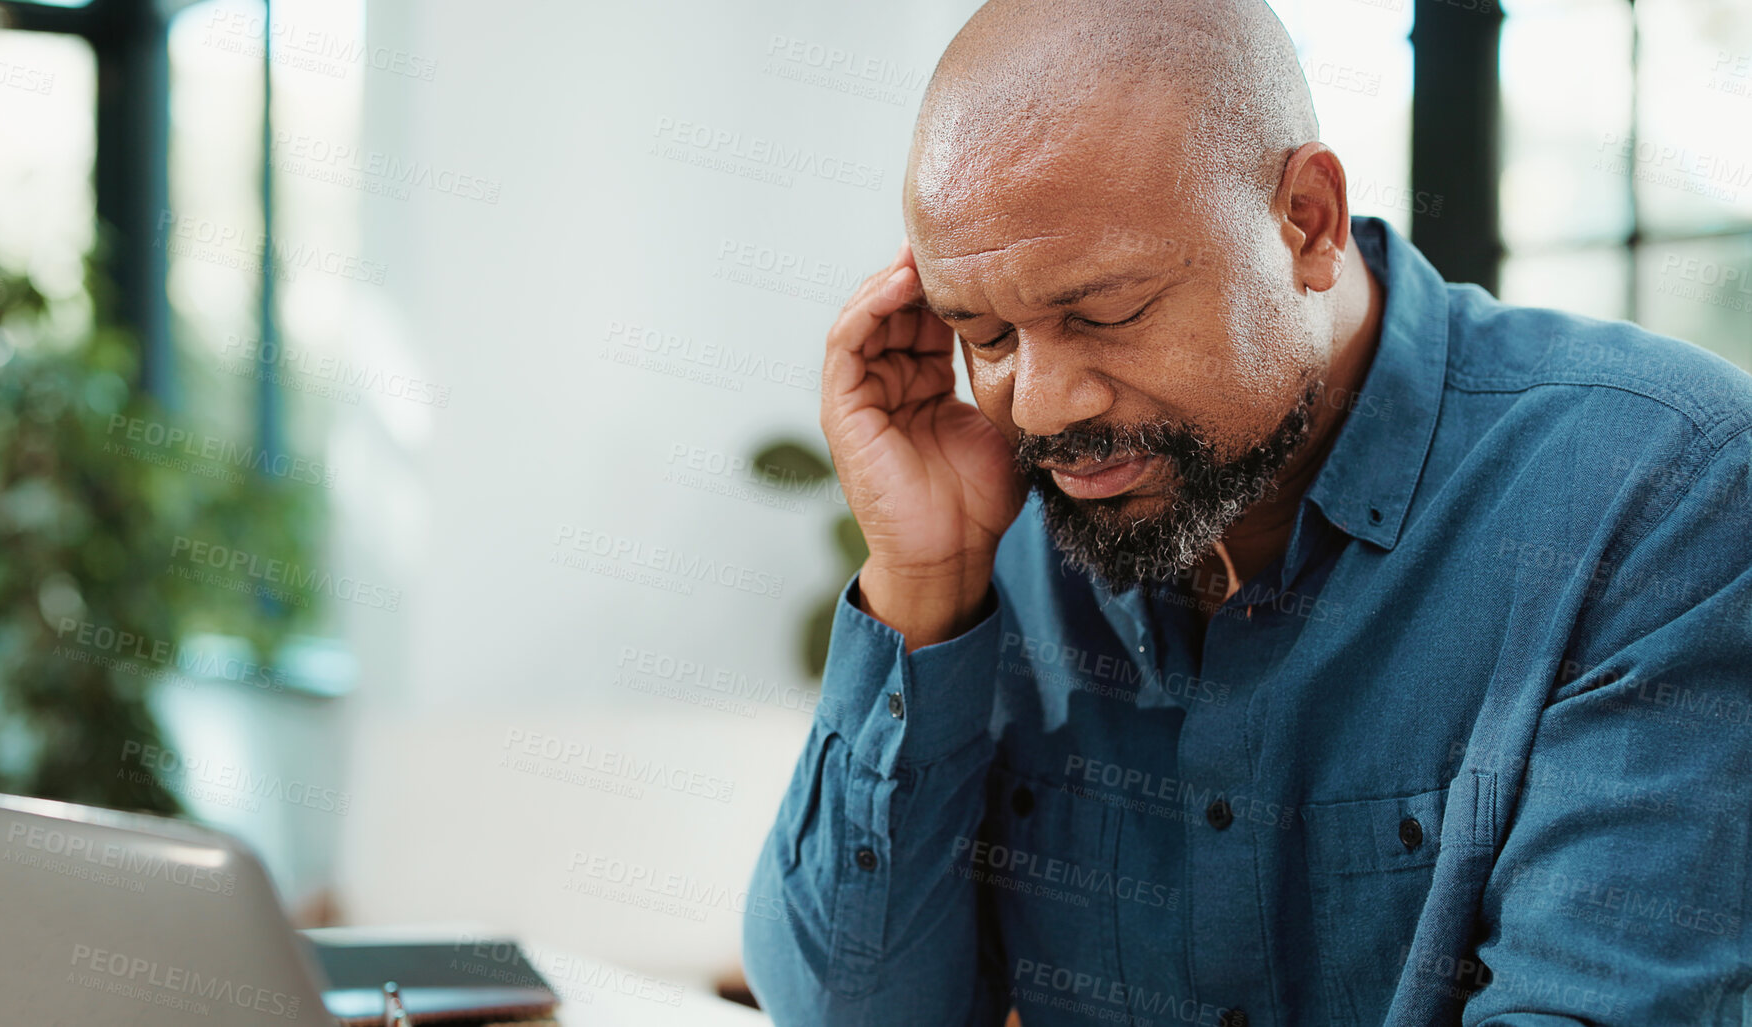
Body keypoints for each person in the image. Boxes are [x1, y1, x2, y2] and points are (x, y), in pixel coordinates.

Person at [740, 0, 1752, 1023]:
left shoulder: (1660, 489)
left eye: (1103, 313)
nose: (1040, 407)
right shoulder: (1009, 519)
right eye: (984, 334)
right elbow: (844, 1011)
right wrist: (924, 584)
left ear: (1305, 222)